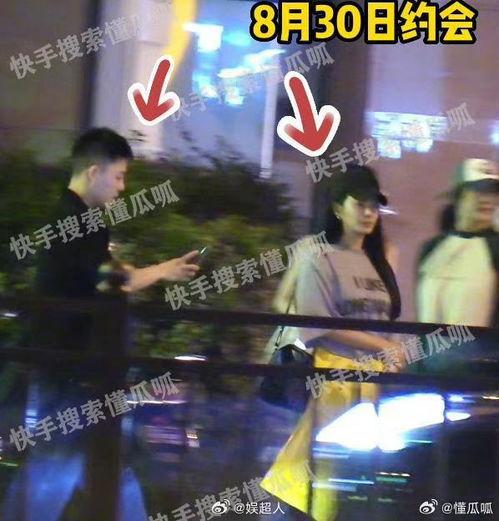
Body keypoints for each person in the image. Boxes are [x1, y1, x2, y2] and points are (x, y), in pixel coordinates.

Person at [260, 165, 404, 521]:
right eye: (360, 204)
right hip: (330, 378)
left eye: (374, 206)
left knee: (348, 473)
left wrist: (389, 351)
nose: (369, 213)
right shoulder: (319, 256)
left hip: (370, 383)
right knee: (320, 468)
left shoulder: (380, 260)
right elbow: (318, 322)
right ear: (338, 208)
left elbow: (384, 320)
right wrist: (381, 347)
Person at [32, 127, 200, 351]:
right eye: (118, 176)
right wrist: (163, 270)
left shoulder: (63, 213)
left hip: (52, 350)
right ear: (94, 173)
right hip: (70, 356)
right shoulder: (82, 224)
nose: (121, 187)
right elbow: (116, 281)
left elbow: (98, 272)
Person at [417, 158, 499, 328]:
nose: (487, 199)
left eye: (493, 192)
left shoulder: (495, 248)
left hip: (483, 345)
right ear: (459, 196)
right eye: (479, 190)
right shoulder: (431, 248)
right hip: (431, 345)